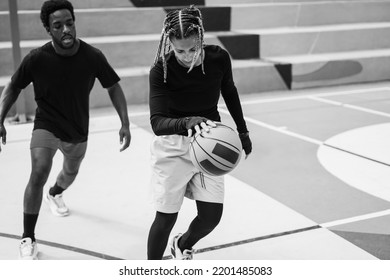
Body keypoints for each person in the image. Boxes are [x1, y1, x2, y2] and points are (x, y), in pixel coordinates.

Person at [0, 0, 131, 260]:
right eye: (57, 26)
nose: (66, 30)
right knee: (39, 171)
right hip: (46, 124)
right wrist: (0, 118)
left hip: (77, 129)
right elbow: (13, 87)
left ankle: (55, 193)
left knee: (69, 174)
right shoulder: (37, 58)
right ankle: (28, 237)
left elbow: (113, 87)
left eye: (69, 23)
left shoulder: (93, 56)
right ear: (49, 30)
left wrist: (125, 123)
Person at [147, 5, 252, 260]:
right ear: (169, 43)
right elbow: (157, 123)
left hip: (209, 141)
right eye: (179, 50)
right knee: (165, 218)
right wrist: (188, 121)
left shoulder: (219, 58)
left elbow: (229, 90)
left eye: (193, 49)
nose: (186, 56)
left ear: (201, 38)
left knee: (211, 217)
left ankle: (182, 244)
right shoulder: (161, 70)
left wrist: (243, 132)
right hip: (173, 144)